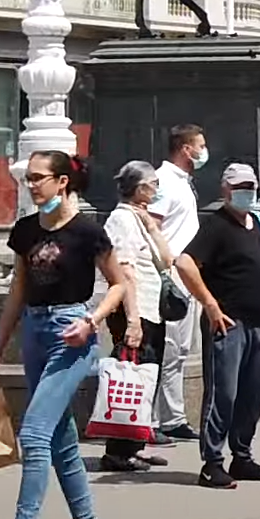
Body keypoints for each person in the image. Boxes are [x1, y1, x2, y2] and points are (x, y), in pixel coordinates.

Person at [0, 151, 126, 519]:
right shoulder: (25, 231)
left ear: (62, 182)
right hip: (35, 333)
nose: (31, 185)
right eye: (28, 179)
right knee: (60, 440)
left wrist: (92, 320)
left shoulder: (87, 232)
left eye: (38, 178)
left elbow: (119, 285)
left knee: (34, 435)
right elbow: (19, 289)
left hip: (71, 334)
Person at [175, 163, 260, 490]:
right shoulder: (216, 226)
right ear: (225, 190)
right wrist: (210, 304)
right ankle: (212, 463)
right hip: (229, 323)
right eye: (239, 187)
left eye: (250, 186)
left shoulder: (258, 222)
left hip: (259, 324)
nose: (246, 192)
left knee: (254, 394)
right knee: (224, 392)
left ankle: (243, 456)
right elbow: (184, 262)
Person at [101, 161, 175, 473]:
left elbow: (167, 259)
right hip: (137, 310)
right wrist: (132, 319)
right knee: (130, 377)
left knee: (146, 378)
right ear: (140, 187)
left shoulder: (139, 217)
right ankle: (118, 450)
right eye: (153, 183)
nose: (157, 189)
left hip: (151, 309)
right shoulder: (121, 220)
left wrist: (153, 227)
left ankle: (135, 444)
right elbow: (125, 271)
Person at [148, 122, 210, 443]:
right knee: (168, 346)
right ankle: (153, 419)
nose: (203, 151)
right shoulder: (164, 182)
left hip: (186, 273)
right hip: (170, 274)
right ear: (186, 149)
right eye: (200, 145)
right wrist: (165, 265)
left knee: (181, 349)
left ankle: (174, 417)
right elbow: (154, 225)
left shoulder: (184, 182)